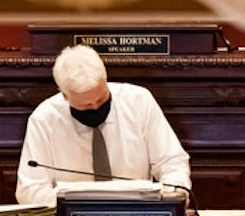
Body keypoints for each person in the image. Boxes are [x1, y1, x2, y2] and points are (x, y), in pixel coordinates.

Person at [15, 44, 192, 206]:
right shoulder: (44, 119)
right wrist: (79, 202)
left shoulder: (139, 102)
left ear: (105, 79)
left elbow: (171, 162)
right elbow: (30, 191)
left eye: (101, 99)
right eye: (85, 105)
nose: (94, 106)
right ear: (64, 94)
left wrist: (173, 196)